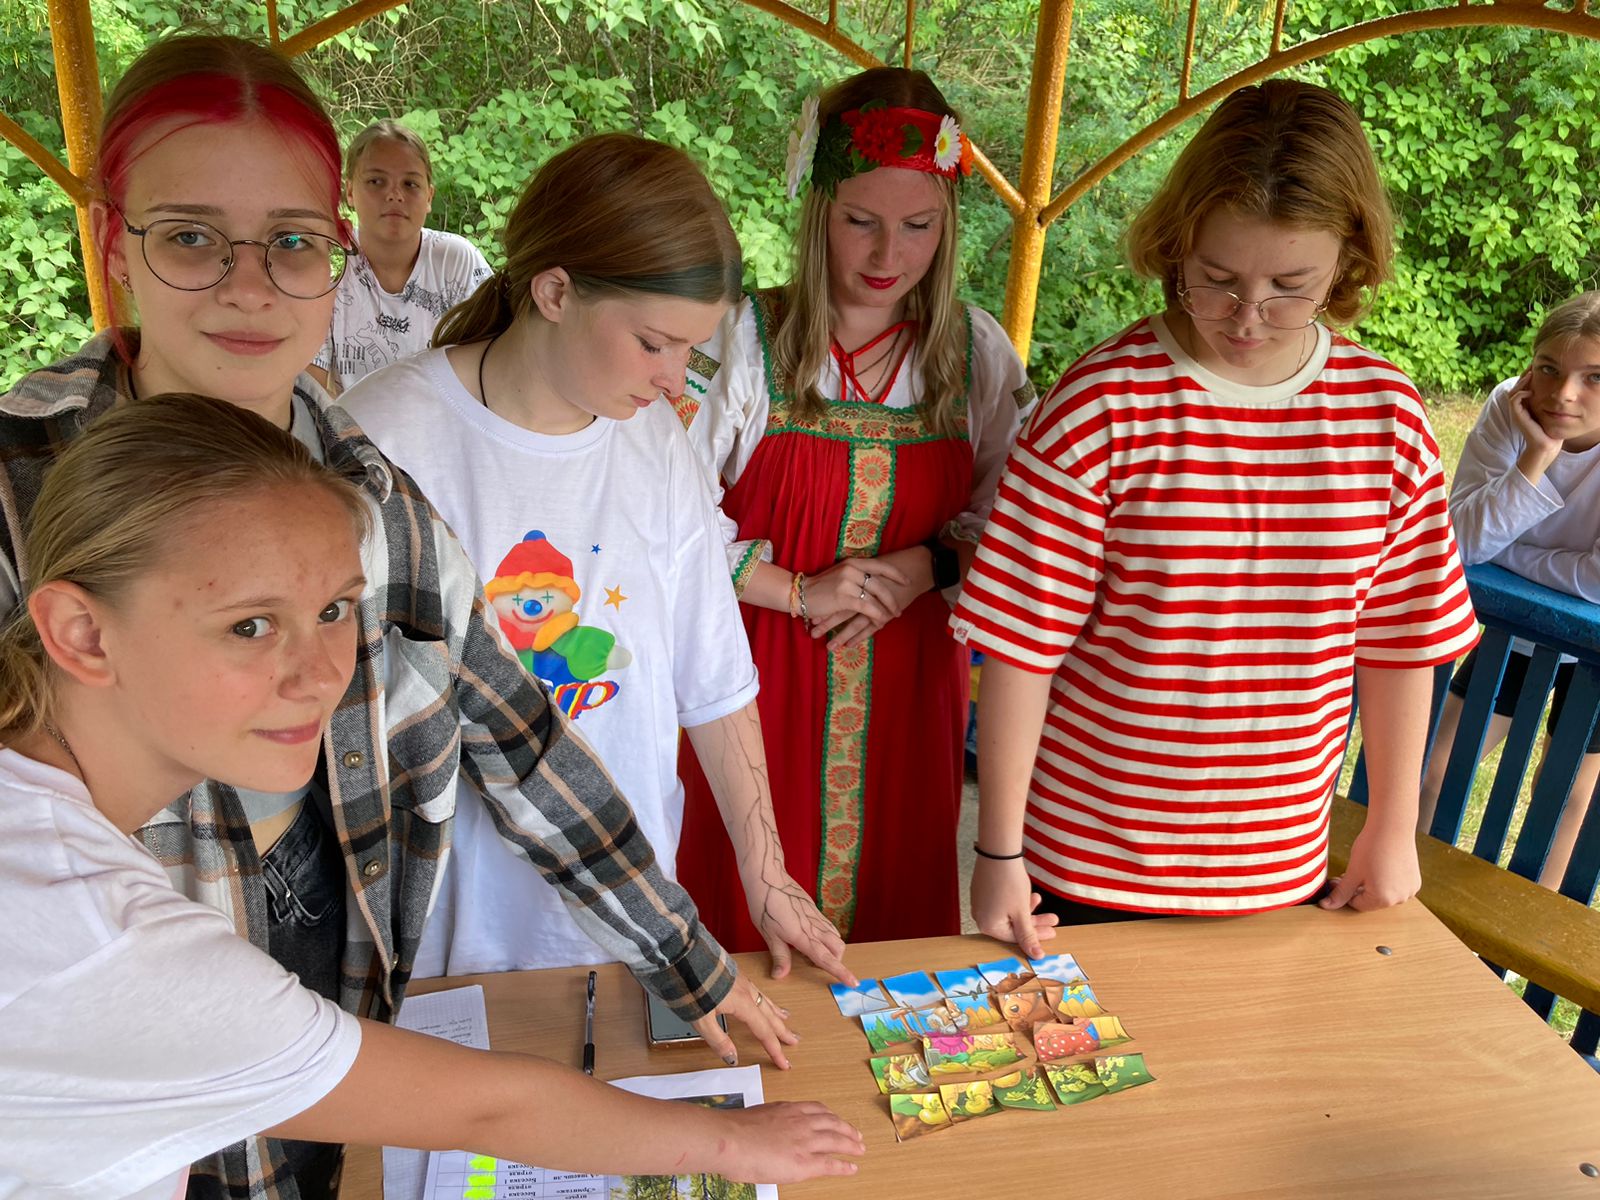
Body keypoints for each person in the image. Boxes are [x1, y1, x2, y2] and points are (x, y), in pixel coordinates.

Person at [0, 33, 790, 1200]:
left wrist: (685, 951)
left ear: (336, 257)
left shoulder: (370, 484)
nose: (249, 286)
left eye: (291, 242)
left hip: (336, 982)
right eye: (192, 238)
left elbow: (518, 736)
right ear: (117, 245)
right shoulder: (20, 477)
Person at [0, 393, 864, 1200]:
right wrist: (733, 1142)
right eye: (250, 626)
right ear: (81, 633)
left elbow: (528, 747)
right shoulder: (99, 940)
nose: (321, 675)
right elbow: (489, 1112)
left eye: (336, 611)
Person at [950, 79, 1480, 952]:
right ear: (1178, 245)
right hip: (1085, 861)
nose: (1247, 318)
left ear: (1349, 259)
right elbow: (1019, 643)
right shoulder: (1102, 404)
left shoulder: (1386, 415)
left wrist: (1393, 825)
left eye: (1290, 287)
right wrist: (998, 849)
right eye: (1218, 280)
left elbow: (1403, 639)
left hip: (1283, 867)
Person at [342, 133, 851, 985]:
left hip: (633, 922)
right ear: (554, 292)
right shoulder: (386, 436)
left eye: (692, 351)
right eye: (655, 344)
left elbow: (713, 677)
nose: (675, 381)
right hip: (447, 934)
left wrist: (767, 873)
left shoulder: (656, 441)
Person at [672, 68, 1034, 947]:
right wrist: (800, 590)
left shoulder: (977, 354)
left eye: (918, 226)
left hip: (913, 681)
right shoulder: (740, 341)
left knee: (895, 933)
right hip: (754, 673)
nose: (886, 256)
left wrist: (929, 565)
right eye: (860, 222)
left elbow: (1021, 514)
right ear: (817, 210)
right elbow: (662, 510)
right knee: (746, 907)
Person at [1420, 292, 1600, 886]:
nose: (1563, 394)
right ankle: (1403, 903)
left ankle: (1532, 930)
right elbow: (1462, 542)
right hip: (1516, 635)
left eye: (1594, 377)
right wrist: (1535, 458)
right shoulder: (1510, 406)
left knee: (1565, 802)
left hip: (1595, 652)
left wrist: (1510, 553)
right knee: (1435, 768)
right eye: (1549, 368)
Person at [308, 118, 493, 394]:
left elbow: (497, 358)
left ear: (429, 196)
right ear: (349, 192)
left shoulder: (457, 262)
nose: (394, 195)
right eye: (376, 181)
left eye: (410, 184)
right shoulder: (329, 266)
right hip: (351, 422)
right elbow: (310, 389)